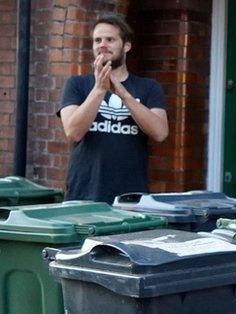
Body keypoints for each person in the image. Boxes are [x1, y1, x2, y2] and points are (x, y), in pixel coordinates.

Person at [59, 15, 169, 204]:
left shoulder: (149, 87)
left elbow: (160, 133)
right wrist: (99, 89)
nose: (102, 44)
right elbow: (73, 132)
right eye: (97, 40)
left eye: (110, 39)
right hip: (85, 193)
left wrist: (124, 95)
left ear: (126, 46)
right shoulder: (76, 84)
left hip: (131, 196)